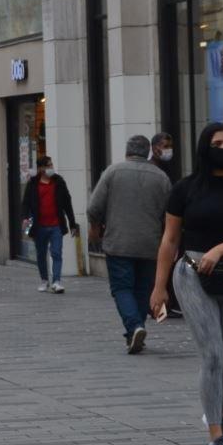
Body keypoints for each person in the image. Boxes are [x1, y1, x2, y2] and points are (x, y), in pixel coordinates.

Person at [150, 123, 223, 445]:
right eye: (218, 143)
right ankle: (215, 435)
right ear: (204, 147)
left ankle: (218, 411)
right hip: (193, 275)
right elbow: (169, 240)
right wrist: (159, 287)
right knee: (213, 354)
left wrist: (220, 250)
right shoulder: (184, 190)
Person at [88, 136, 171, 354]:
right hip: (150, 244)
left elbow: (94, 207)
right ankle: (135, 332)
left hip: (119, 242)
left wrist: (95, 228)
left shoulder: (113, 172)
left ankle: (135, 326)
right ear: (148, 152)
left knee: (122, 288)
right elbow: (169, 214)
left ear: (127, 151)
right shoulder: (161, 177)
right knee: (143, 289)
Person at [21, 156, 79, 294]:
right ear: (41, 168)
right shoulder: (33, 184)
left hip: (56, 225)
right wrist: (24, 219)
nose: (51, 167)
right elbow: (26, 203)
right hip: (38, 225)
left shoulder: (59, 182)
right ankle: (44, 280)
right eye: (48, 165)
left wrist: (72, 223)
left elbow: (67, 203)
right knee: (41, 254)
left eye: (51, 164)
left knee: (56, 252)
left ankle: (57, 281)